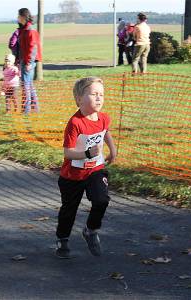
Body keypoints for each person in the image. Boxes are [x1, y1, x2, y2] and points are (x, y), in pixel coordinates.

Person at [55, 77, 117, 258]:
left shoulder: (104, 118)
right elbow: (68, 152)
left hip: (95, 170)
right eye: (93, 94)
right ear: (79, 99)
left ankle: (91, 230)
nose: (99, 98)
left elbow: (106, 132)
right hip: (72, 175)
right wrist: (87, 153)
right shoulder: (75, 123)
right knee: (69, 210)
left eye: (101, 95)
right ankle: (62, 239)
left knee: (101, 200)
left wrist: (112, 150)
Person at [17, 8, 42, 115]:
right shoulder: (24, 30)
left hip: (28, 62)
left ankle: (26, 110)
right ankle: (35, 108)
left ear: (23, 17)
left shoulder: (30, 31)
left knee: (26, 85)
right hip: (25, 60)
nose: (17, 18)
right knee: (29, 85)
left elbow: (33, 48)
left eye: (18, 16)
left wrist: (28, 63)